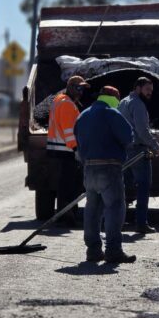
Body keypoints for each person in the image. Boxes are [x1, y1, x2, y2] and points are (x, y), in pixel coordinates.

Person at [74, 86, 137, 264]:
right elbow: (128, 137)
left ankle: (93, 251)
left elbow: (77, 139)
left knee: (92, 210)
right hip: (109, 168)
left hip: (89, 169)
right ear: (113, 98)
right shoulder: (112, 114)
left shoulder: (83, 115)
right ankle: (113, 251)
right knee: (115, 208)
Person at [118, 77, 159, 234]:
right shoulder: (138, 104)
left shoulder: (123, 102)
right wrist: (156, 146)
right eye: (147, 90)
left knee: (122, 188)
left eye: (151, 90)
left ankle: (117, 222)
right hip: (138, 151)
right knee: (143, 187)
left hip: (123, 151)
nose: (150, 93)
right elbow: (142, 130)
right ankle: (141, 223)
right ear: (137, 88)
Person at [47, 75, 89, 226]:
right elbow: (68, 130)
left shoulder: (60, 100)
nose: (81, 92)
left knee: (66, 184)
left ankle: (66, 213)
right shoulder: (66, 104)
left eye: (83, 88)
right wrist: (76, 149)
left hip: (59, 149)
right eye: (79, 88)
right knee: (68, 184)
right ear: (71, 87)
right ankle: (66, 215)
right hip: (65, 150)